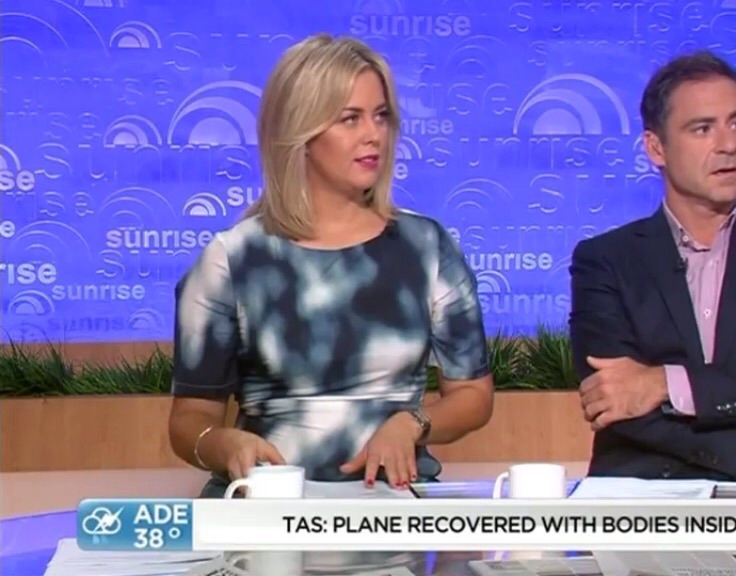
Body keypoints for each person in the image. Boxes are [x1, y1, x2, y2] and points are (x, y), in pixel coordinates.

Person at [167, 34, 494, 497]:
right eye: (350, 118)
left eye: (381, 116)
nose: (373, 134)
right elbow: (189, 419)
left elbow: (473, 396)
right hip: (270, 510)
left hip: (393, 507)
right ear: (301, 132)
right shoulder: (232, 258)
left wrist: (413, 423)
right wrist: (225, 444)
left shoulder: (426, 246)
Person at [569, 50, 736, 486]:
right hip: (644, 489)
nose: (729, 145)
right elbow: (614, 401)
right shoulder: (605, 261)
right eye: (703, 128)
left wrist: (664, 384)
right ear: (656, 148)